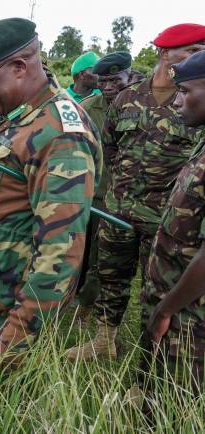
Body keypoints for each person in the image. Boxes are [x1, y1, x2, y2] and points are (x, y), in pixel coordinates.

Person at [0, 18, 101, 366]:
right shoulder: (16, 114)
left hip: (8, 311)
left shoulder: (59, 135)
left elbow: (61, 250)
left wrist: (16, 333)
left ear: (18, 67)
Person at [66, 23, 205, 362]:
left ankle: (149, 364)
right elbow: (109, 147)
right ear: (164, 54)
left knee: (156, 292)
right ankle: (103, 341)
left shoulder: (194, 101)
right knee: (110, 277)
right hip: (118, 209)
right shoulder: (127, 97)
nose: (199, 57)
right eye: (192, 51)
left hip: (165, 222)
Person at [139, 49, 205, 394]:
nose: (177, 101)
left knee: (176, 406)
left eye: (186, 91)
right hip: (175, 305)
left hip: (190, 319)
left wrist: (166, 309)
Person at [72, 51, 133, 323]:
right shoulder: (86, 107)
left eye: (115, 81)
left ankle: (87, 305)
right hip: (90, 195)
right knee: (76, 250)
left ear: (128, 76)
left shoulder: (143, 107)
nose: (108, 87)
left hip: (124, 200)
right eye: (103, 81)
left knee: (104, 259)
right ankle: (68, 298)